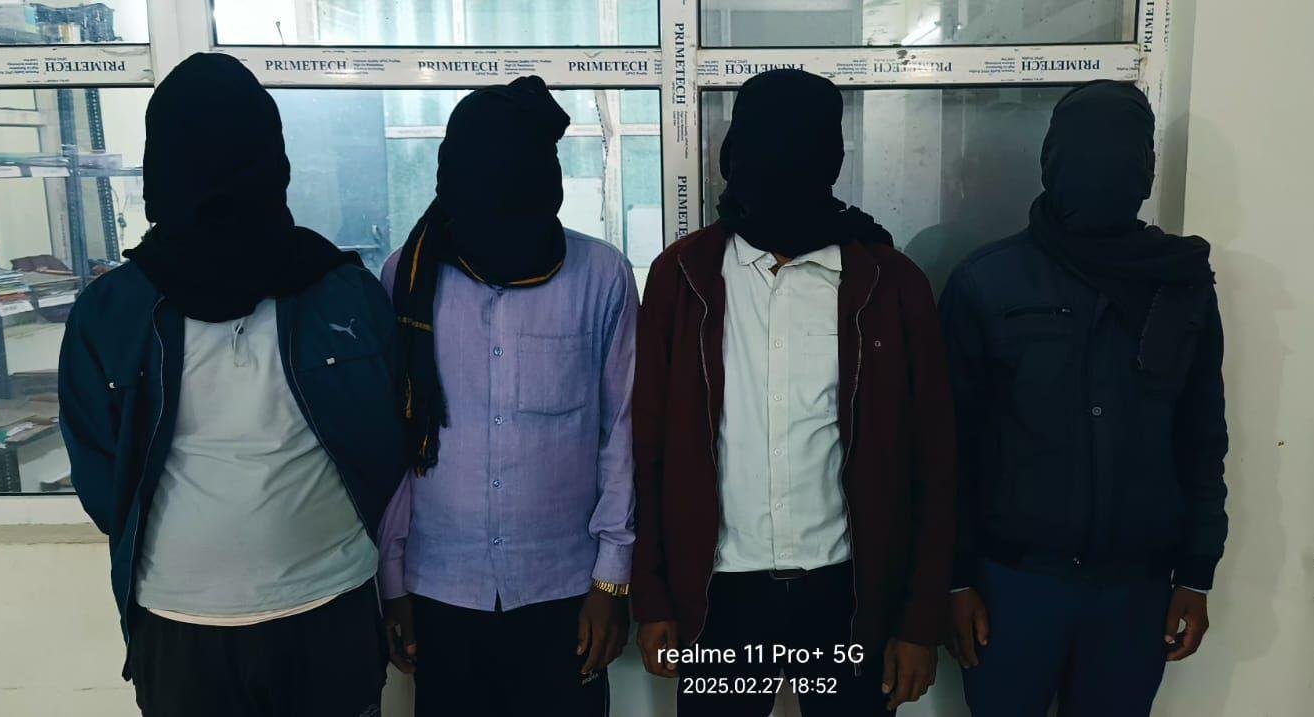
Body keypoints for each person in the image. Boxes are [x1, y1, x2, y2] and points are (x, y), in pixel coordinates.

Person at [57, 52, 406, 716]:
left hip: (329, 606)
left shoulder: (342, 293)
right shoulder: (113, 313)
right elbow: (102, 475)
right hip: (181, 622)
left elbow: (387, 438)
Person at [631, 68, 957, 716]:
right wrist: (652, 595)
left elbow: (935, 459)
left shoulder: (891, 284)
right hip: (719, 601)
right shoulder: (683, 277)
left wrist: (920, 620)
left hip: (849, 598)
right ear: (734, 154)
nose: (780, 165)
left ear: (831, 160)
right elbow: (648, 448)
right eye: (764, 146)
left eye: (800, 147)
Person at [941, 80, 1229, 716]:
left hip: (1136, 591)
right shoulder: (987, 283)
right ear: (1051, 161)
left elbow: (1202, 435)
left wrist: (1197, 572)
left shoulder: (1180, 284)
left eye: (1124, 154)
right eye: (1086, 152)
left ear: (1146, 169)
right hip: (1011, 584)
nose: (1105, 168)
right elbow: (949, 446)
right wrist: (955, 580)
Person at [375, 76, 636, 717]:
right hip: (441, 592)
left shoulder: (601, 276)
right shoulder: (407, 278)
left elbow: (622, 431)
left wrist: (611, 580)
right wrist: (393, 581)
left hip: (564, 591)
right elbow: (394, 443)